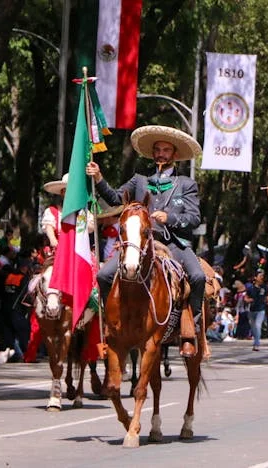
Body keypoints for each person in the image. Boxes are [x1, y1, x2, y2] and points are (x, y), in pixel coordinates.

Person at [86, 125, 205, 358]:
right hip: (139, 245)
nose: (161, 153)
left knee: (199, 277)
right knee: (103, 276)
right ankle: (113, 323)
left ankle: (191, 331)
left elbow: (194, 218)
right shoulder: (139, 180)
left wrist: (169, 217)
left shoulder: (186, 184)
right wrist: (99, 178)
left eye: (166, 150)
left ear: (175, 155)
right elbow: (115, 199)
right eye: (157, 149)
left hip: (172, 244)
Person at [245, 270, 268, 351]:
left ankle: (257, 344)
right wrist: (248, 300)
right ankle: (255, 342)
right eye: (260, 276)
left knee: (258, 326)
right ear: (255, 278)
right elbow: (246, 297)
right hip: (251, 310)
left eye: (262, 276)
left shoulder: (265, 288)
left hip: (261, 310)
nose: (262, 278)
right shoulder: (250, 288)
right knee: (254, 328)